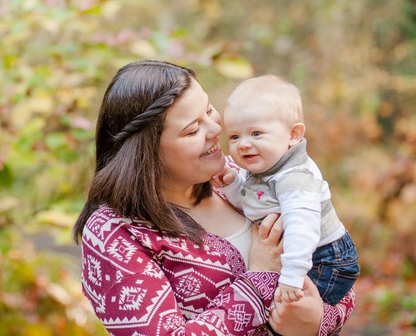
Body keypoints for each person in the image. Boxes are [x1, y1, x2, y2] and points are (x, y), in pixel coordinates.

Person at [73, 60, 355, 336]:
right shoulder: (114, 233)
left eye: (209, 110)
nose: (216, 129)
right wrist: (259, 278)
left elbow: (334, 266)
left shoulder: (235, 178)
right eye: (193, 130)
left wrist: (316, 322)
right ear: (145, 153)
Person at [214, 74, 359, 306]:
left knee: (290, 315)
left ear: (293, 135)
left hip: (323, 258)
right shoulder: (265, 166)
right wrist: (233, 185)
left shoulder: (294, 178)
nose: (243, 144)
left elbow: (303, 229)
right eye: (234, 136)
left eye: (256, 133)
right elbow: (257, 204)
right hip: (300, 253)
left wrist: (292, 276)